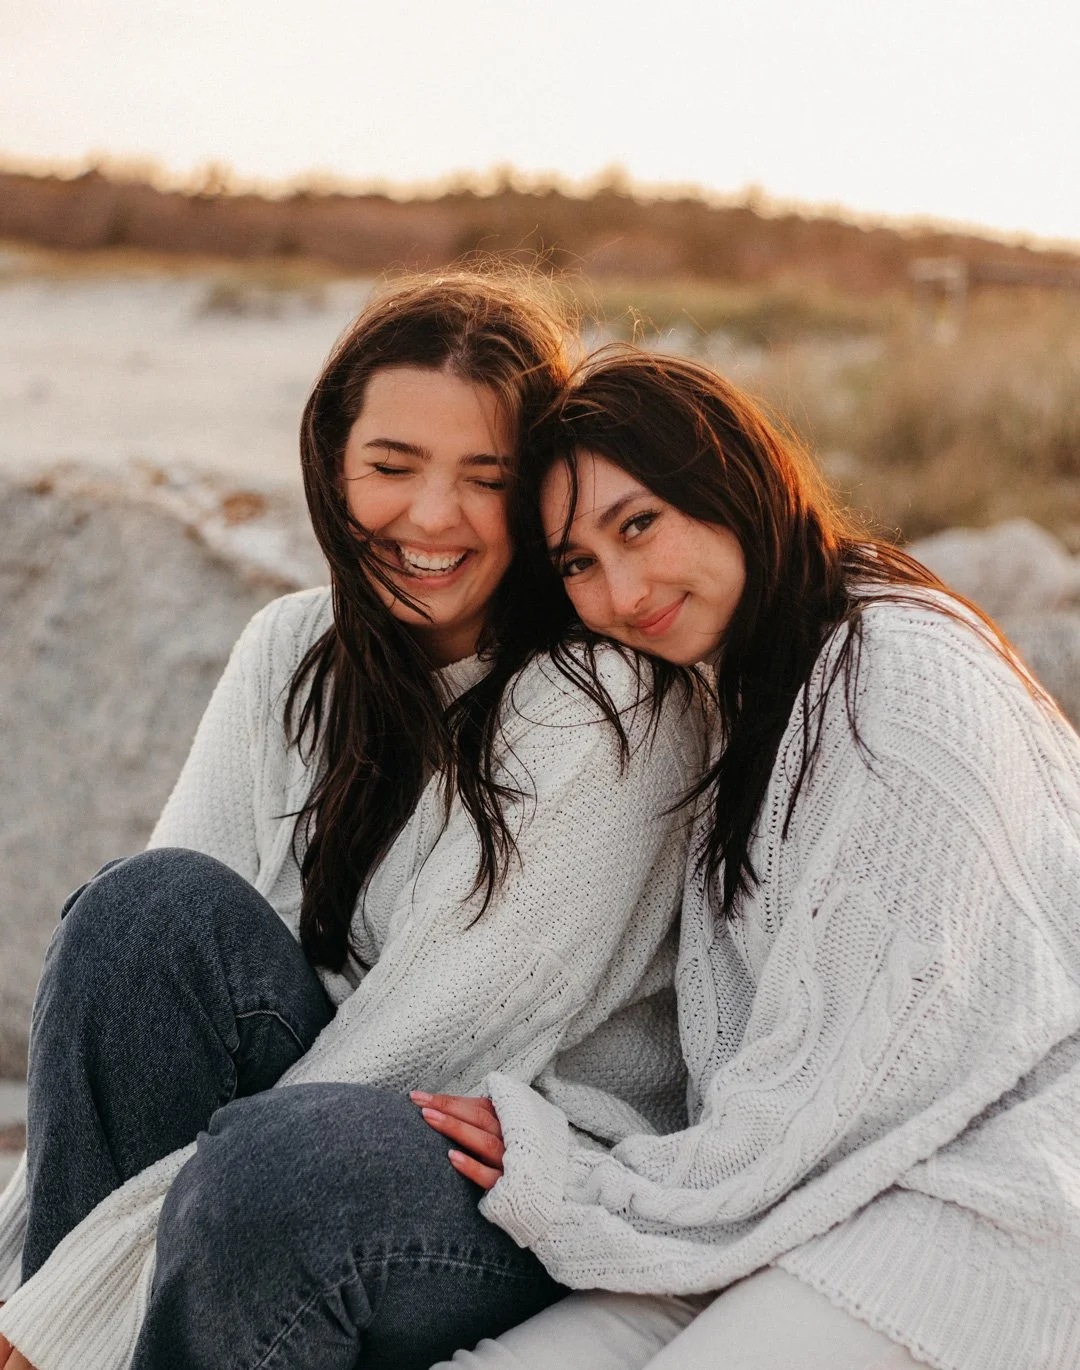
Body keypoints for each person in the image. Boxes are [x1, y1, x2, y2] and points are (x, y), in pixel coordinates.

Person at [0, 289, 704, 1370]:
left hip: (526, 1175)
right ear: (333, 465)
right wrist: (33, 1279)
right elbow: (135, 992)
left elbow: (440, 1041)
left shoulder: (609, 702)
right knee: (140, 910)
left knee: (279, 1171)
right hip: (305, 1116)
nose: (432, 518)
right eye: (393, 464)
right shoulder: (291, 645)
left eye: (489, 478)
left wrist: (60, 1321)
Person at [420, 349, 1080, 1370]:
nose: (623, 591)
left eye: (638, 523)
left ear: (728, 475)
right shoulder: (741, 688)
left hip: (982, 1198)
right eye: (577, 564)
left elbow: (859, 1077)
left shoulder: (899, 679)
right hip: (802, 1193)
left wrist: (578, 1180)